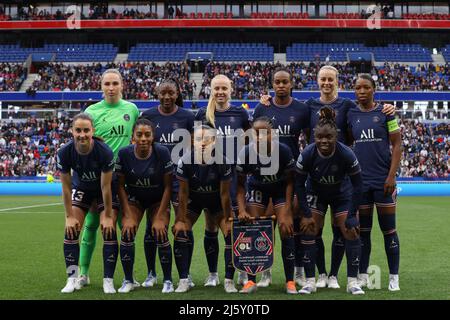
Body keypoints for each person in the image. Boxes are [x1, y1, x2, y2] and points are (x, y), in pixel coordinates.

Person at [78, 69, 139, 288]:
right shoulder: (91, 111)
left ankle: (128, 276)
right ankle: (83, 273)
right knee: (93, 223)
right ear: (101, 86)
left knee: (126, 225)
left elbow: (137, 138)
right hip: (98, 177)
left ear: (122, 85)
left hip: (124, 177)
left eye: (115, 83)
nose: (111, 87)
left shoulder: (131, 109)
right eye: (107, 84)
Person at [295, 106, 365, 295]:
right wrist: (306, 214)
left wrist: (351, 215)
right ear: (314, 137)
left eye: (328, 137)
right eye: (319, 137)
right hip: (316, 193)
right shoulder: (307, 154)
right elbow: (299, 185)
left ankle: (352, 282)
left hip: (341, 194)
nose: (324, 141)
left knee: (351, 231)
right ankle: (311, 281)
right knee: (309, 229)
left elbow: (358, 186)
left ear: (336, 137)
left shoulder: (346, 154)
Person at [252, 68, 309, 288]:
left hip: (291, 175)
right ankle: (265, 270)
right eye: (277, 82)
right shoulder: (262, 107)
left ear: (291, 83)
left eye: (285, 82)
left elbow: (309, 138)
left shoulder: (301, 109)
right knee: (267, 224)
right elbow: (254, 138)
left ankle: (298, 271)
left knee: (292, 224)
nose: (281, 85)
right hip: (266, 174)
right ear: (272, 84)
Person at [195, 74, 251, 287]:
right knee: (210, 226)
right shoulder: (203, 114)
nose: (220, 92)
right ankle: (213, 274)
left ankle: (242, 271)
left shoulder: (240, 113)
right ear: (210, 89)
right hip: (211, 180)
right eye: (216, 88)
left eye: (223, 88)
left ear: (231, 90)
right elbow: (197, 145)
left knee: (237, 226)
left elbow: (250, 140)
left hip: (235, 178)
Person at [347, 74, 401, 291]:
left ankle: (393, 277)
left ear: (373, 89)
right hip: (361, 183)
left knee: (389, 231)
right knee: (364, 232)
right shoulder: (350, 113)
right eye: (358, 88)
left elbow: (397, 145)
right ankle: (362, 275)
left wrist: (391, 176)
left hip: (383, 182)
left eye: (366, 87)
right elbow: (349, 142)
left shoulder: (386, 113)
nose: (361, 91)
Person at [140, 79, 195, 288]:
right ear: (156, 93)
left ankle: (185, 274)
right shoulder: (147, 116)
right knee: (151, 227)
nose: (166, 97)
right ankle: (151, 273)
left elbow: (194, 146)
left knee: (183, 226)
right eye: (163, 93)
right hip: (155, 181)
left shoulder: (187, 117)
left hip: (180, 181)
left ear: (177, 93)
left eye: (170, 93)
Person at [172, 124, 237, 293]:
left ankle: (229, 280)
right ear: (193, 142)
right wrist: (179, 220)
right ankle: (184, 280)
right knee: (181, 231)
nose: (203, 143)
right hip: (194, 201)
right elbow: (183, 194)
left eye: (207, 139)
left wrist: (229, 220)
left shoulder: (223, 161)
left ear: (214, 141)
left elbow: (225, 195)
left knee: (231, 234)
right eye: (199, 139)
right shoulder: (185, 161)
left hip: (216, 201)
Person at [59, 113, 119, 294]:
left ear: (92, 131)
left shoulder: (104, 151)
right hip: (82, 189)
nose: (82, 134)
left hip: (103, 191)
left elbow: (106, 186)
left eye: (86, 130)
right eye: (78, 130)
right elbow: (66, 188)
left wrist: (108, 216)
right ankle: (72, 277)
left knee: (108, 229)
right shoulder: (64, 152)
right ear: (72, 131)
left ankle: (108, 281)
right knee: (71, 229)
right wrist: (69, 216)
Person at [236, 117, 296, 294]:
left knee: (286, 228)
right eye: (256, 133)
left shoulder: (283, 151)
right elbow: (239, 185)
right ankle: (251, 281)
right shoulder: (246, 153)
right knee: (253, 228)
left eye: (265, 133)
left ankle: (290, 281)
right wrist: (241, 209)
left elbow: (291, 182)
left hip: (280, 190)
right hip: (258, 189)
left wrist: (287, 209)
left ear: (273, 134)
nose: (260, 137)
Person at [115, 119, 174, 293]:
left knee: (160, 230)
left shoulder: (162, 152)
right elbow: (120, 186)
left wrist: (161, 214)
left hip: (158, 199)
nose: (143, 138)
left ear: (153, 136)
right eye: (139, 134)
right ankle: (128, 280)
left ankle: (168, 281)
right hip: (135, 199)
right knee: (127, 229)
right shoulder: (124, 153)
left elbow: (169, 187)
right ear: (133, 137)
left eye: (147, 134)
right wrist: (126, 213)